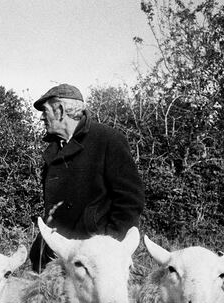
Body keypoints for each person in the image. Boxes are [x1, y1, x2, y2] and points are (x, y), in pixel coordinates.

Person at [29, 83, 144, 271]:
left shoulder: (108, 139)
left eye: (45, 110)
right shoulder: (54, 149)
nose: (42, 116)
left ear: (60, 110)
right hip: (56, 254)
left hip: (94, 258)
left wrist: (108, 245)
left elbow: (130, 200)